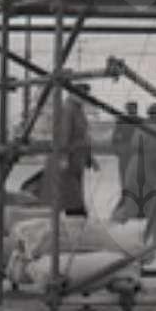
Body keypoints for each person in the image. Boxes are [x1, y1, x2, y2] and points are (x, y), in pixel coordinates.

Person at [114, 101, 156, 248]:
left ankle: (113, 226)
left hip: (135, 169)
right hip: (146, 171)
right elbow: (155, 152)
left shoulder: (143, 127)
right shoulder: (155, 130)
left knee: (135, 205)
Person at [40, 78, 94, 217]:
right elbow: (64, 134)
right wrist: (63, 158)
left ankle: (74, 219)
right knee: (70, 198)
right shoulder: (68, 109)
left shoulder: (77, 109)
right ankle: (74, 220)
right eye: (84, 93)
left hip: (76, 160)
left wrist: (89, 157)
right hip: (68, 161)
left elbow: (84, 136)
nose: (86, 96)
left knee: (71, 197)